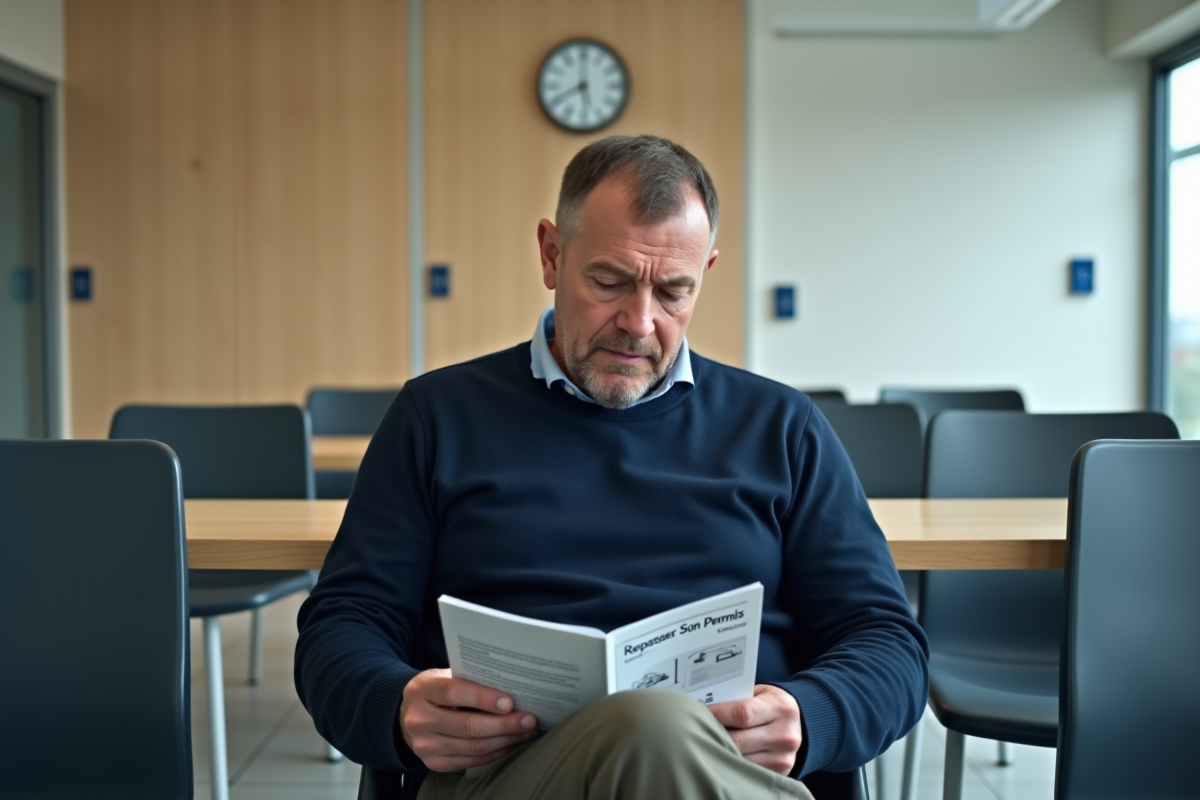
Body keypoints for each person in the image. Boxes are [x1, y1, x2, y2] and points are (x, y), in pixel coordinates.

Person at [295, 135, 928, 799]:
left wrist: (809, 716)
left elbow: (887, 641)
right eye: (609, 282)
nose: (639, 322)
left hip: (729, 774)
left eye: (674, 291)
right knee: (649, 727)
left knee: (658, 732)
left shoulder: (782, 427)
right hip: (504, 781)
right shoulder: (436, 417)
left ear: (706, 273)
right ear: (552, 255)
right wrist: (397, 707)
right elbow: (344, 625)